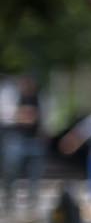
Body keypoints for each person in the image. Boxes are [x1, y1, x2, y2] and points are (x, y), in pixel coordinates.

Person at [2, 77, 47, 213]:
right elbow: (6, 115)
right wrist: (21, 115)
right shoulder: (11, 95)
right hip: (16, 136)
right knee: (11, 168)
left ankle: (32, 202)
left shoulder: (41, 97)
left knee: (35, 172)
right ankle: (9, 198)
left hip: (34, 138)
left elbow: (44, 118)